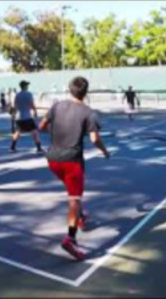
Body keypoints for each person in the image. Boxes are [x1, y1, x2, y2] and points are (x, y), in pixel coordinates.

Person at [39, 76, 110, 260]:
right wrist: (105, 151)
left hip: (53, 161)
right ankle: (70, 239)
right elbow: (94, 139)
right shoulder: (89, 113)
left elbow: (41, 126)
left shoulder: (56, 106)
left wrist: (57, 134)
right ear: (86, 92)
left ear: (70, 90)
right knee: (74, 199)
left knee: (73, 192)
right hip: (72, 162)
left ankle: (81, 216)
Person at [10, 80, 43, 153]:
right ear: (25, 86)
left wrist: (13, 114)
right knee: (35, 132)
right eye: (27, 85)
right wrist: (35, 111)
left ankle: (12, 147)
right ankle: (39, 148)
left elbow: (14, 106)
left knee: (17, 132)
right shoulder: (29, 94)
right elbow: (31, 104)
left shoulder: (17, 95)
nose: (28, 86)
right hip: (27, 116)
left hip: (19, 117)